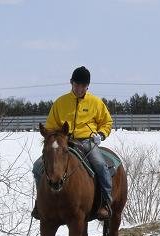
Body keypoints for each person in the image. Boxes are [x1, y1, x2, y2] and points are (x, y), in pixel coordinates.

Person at [31, 66, 114, 220]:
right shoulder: (60, 102)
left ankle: (105, 202)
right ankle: (40, 203)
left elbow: (107, 122)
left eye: (83, 86)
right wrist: (51, 136)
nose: (80, 89)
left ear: (87, 86)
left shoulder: (96, 102)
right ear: (71, 83)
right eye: (77, 85)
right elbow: (50, 125)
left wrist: (101, 135)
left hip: (87, 141)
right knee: (37, 167)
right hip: (64, 142)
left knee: (101, 166)